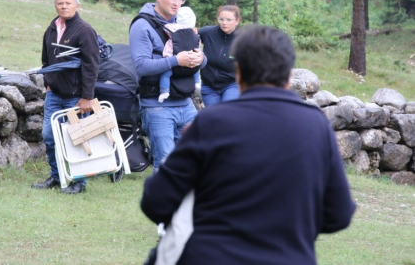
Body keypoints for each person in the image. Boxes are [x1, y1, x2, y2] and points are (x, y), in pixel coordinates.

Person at [141, 24, 356, 264]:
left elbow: (155, 201)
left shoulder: (211, 122)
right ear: (288, 75)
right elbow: (338, 214)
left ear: (238, 72)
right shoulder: (316, 126)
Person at [129, 0, 207, 174]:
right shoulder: (142, 25)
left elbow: (200, 57)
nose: (177, 4)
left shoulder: (182, 23)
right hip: (157, 107)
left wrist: (201, 59)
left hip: (186, 104)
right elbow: (141, 66)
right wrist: (175, 61)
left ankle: (190, 204)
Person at [32, 0, 100, 194]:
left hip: (76, 97)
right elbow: (46, 59)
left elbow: (92, 65)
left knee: (77, 138)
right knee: (49, 136)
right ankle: (57, 176)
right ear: (56, 6)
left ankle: (79, 182)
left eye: (68, 3)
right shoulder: (52, 28)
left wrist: (87, 96)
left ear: (77, 6)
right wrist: (48, 82)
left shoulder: (84, 30)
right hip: (54, 94)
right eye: (60, 3)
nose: (64, 6)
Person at [198, 4, 241, 106]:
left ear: (237, 21)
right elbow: (188, 39)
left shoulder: (243, 39)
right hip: (208, 86)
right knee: (215, 118)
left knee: (227, 111)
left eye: (229, 20)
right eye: (221, 19)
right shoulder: (207, 32)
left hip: (232, 85)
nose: (224, 23)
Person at [158, 6, 201, 103]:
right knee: (195, 68)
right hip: (191, 57)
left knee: (165, 74)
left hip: (175, 56)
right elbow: (198, 42)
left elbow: (165, 28)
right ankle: (197, 82)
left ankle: (164, 91)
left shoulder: (174, 27)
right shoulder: (193, 32)